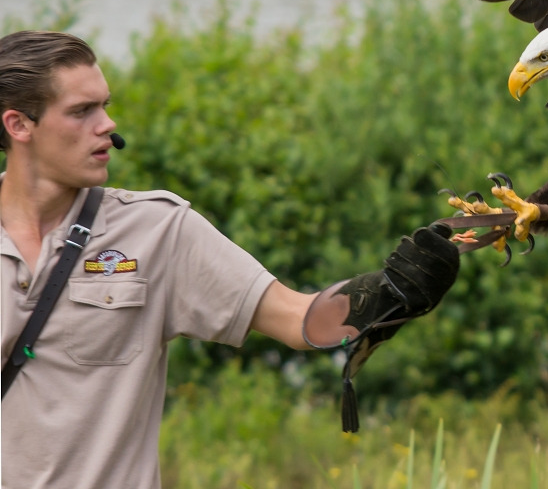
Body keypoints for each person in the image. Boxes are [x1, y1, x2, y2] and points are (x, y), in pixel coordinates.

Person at [0, 30, 461, 489]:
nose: (107, 125)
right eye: (82, 112)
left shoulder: (157, 231)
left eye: (104, 105)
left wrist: (392, 291)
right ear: (19, 125)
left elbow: (300, 319)